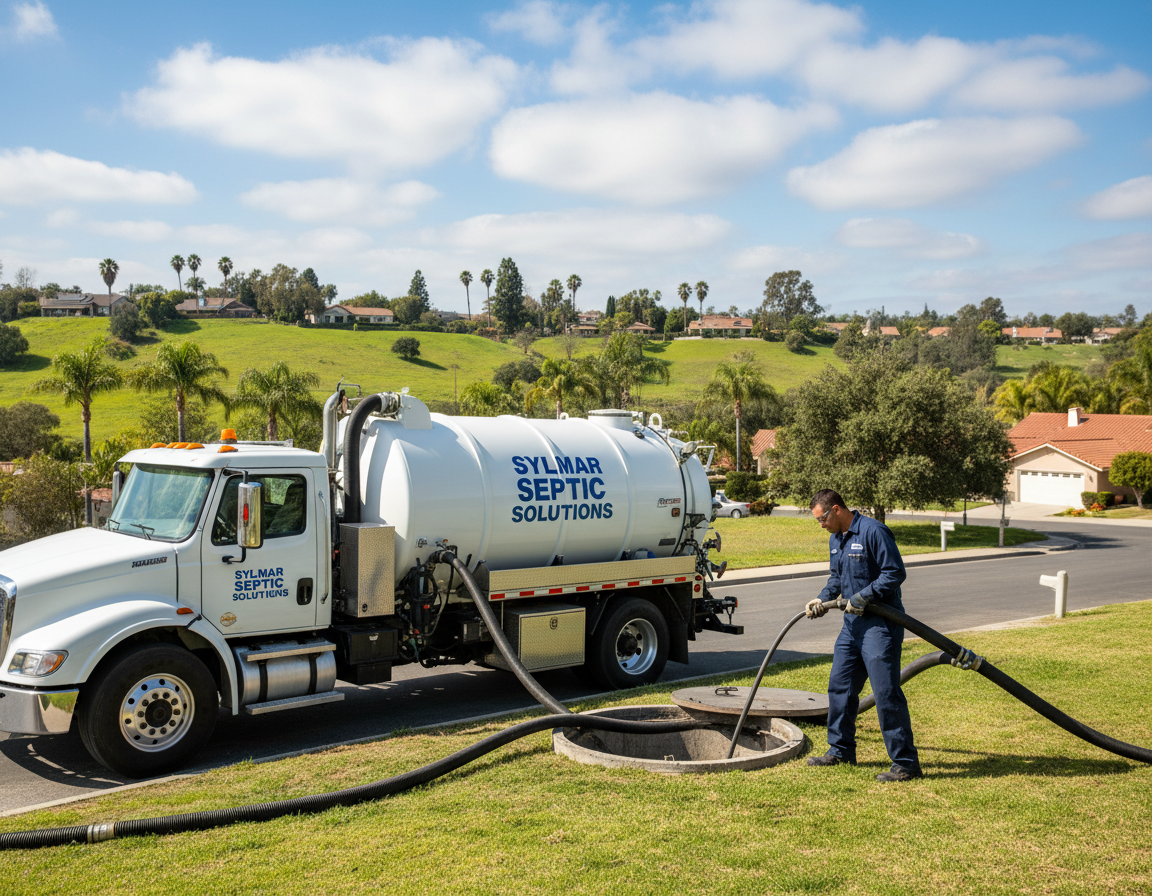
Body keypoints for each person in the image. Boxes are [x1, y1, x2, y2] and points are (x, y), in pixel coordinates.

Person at [804, 489, 922, 782]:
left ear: (836, 510)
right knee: (840, 687)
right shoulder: (837, 539)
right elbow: (836, 578)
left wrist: (864, 596)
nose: (821, 526)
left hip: (880, 626)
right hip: (851, 626)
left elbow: (894, 573)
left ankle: (906, 763)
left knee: (885, 693)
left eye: (822, 519)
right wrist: (821, 599)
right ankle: (840, 750)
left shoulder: (873, 531)